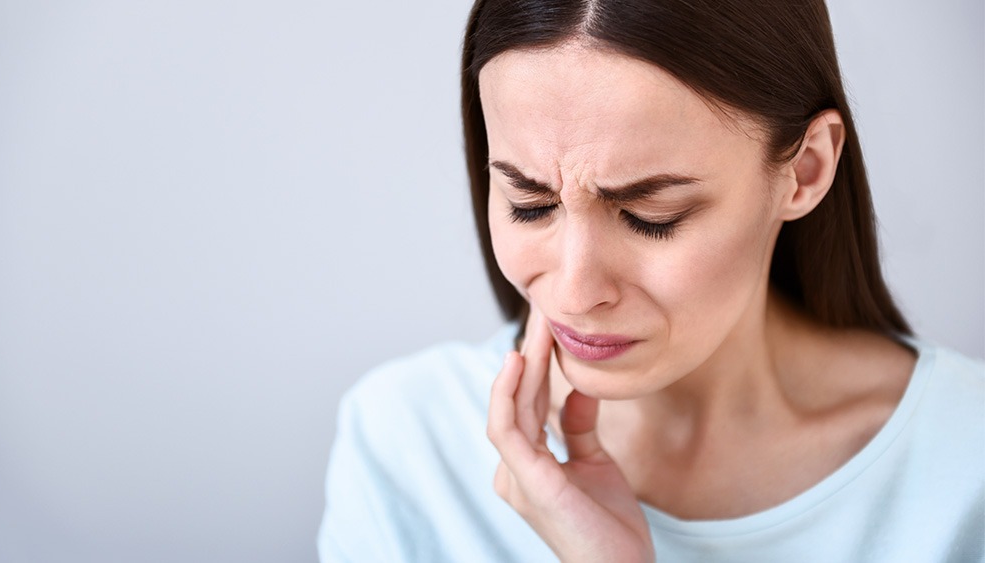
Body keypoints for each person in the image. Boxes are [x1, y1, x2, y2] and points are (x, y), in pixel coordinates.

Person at [318, 0, 984, 561]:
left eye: (649, 216)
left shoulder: (965, 464)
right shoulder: (404, 445)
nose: (575, 292)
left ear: (804, 171)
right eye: (529, 204)